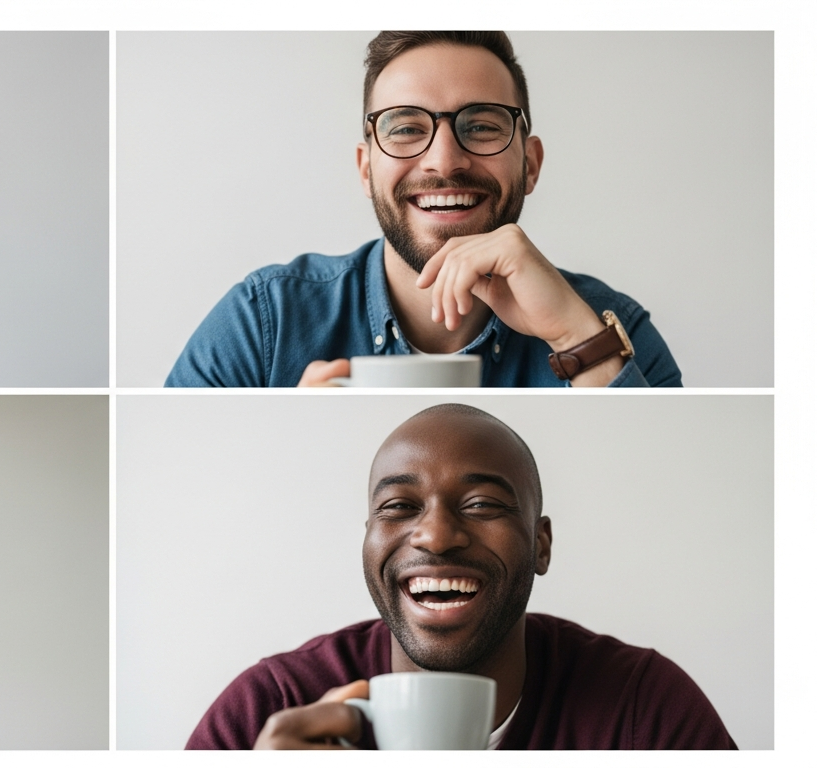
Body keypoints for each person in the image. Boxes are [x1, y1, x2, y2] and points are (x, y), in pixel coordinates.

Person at [187, 403, 734, 749]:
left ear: (540, 544)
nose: (436, 535)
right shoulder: (272, 708)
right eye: (399, 507)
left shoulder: (641, 708)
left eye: (482, 504)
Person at [166, 32, 681, 388]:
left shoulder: (613, 329)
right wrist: (291, 439)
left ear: (530, 164)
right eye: (407, 127)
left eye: (482, 126)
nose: (444, 161)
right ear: (366, 169)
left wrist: (579, 341)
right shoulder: (262, 323)